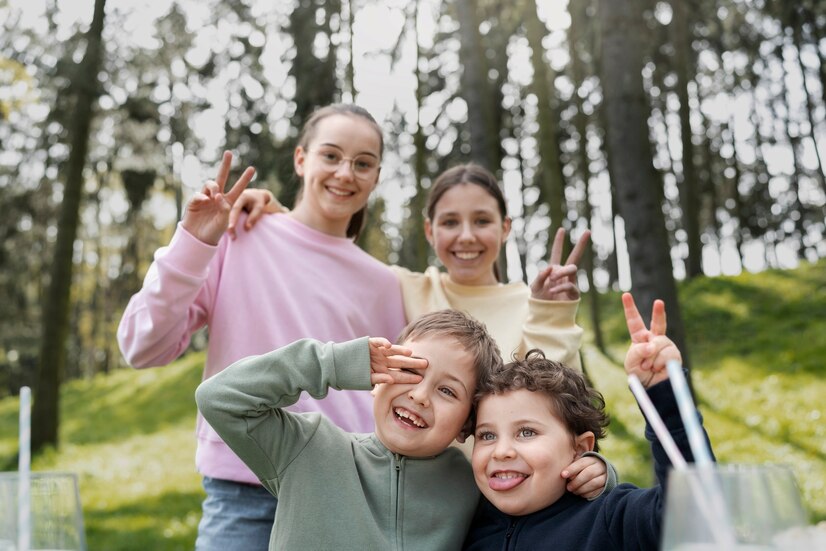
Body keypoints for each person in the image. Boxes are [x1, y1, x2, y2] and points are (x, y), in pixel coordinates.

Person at [117, 104, 408, 550]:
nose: (345, 173)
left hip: (347, 495)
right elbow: (141, 346)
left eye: (363, 163)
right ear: (300, 159)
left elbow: (392, 396)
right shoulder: (236, 236)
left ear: (375, 175)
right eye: (331, 156)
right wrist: (193, 242)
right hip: (243, 494)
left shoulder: (384, 284)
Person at [195, 309, 614, 550]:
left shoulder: (469, 481)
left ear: (467, 425)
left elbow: (540, 503)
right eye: (408, 372)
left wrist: (597, 474)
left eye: (447, 391)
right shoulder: (306, 448)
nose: (419, 396)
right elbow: (221, 398)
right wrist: (337, 364)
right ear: (379, 372)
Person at [235, 164, 589, 371]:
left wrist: (551, 313)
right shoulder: (405, 288)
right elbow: (333, 261)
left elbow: (560, 397)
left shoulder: (531, 304)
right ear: (429, 231)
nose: (466, 236)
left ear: (505, 228)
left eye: (482, 221)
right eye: (450, 223)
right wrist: (278, 215)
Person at [462, 293, 715, 550]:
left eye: (527, 432)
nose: (501, 451)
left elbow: (695, 512)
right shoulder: (466, 526)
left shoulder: (610, 518)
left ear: (581, 448)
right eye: (487, 435)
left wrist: (663, 395)